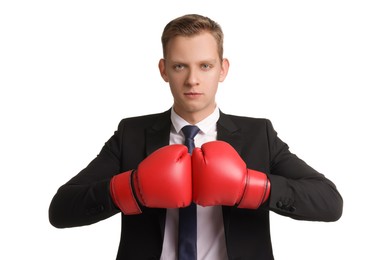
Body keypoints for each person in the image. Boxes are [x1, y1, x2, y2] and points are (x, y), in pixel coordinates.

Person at [49, 14, 343, 260]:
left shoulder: (258, 135)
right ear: (164, 70)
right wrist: (132, 188)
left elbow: (329, 202)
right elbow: (61, 209)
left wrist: (250, 187)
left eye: (205, 66)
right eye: (180, 66)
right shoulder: (132, 134)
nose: (192, 80)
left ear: (222, 69)